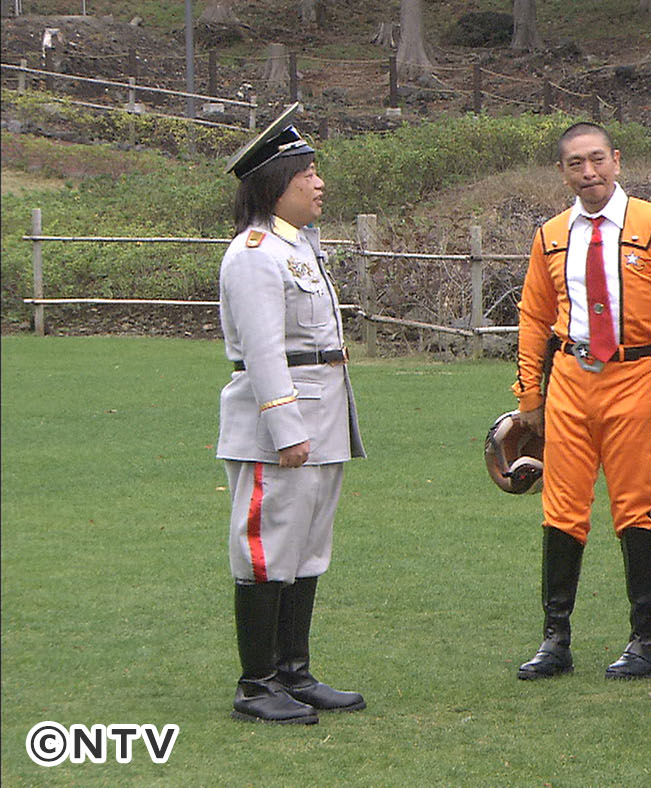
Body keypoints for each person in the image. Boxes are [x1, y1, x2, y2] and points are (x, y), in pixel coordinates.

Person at [513, 122, 651, 681]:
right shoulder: (551, 234)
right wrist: (529, 392)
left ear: (616, 161)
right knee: (561, 510)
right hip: (570, 380)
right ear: (562, 172)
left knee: (635, 506)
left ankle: (646, 640)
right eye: (576, 163)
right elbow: (534, 316)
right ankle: (555, 639)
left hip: (631, 377)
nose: (589, 172)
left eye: (597, 159)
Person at [217, 103, 366, 724]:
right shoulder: (255, 253)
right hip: (280, 427)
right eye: (307, 173)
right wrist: (285, 428)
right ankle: (257, 685)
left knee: (305, 550)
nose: (319, 183)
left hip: (323, 418)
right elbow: (262, 350)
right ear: (278, 184)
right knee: (268, 549)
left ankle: (293, 674)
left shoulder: (299, 247)